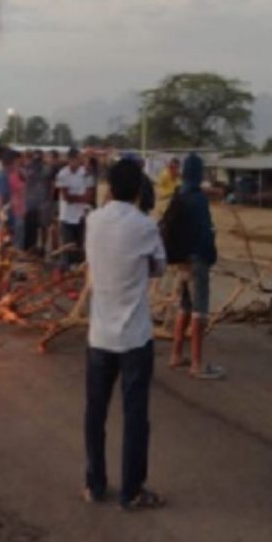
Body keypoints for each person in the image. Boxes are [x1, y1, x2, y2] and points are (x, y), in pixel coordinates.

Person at [82, 157, 166, 512]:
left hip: (100, 334)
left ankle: (95, 483)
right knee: (134, 416)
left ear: (109, 187)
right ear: (137, 190)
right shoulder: (145, 226)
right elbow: (159, 267)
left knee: (95, 413)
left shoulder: (92, 221)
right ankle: (132, 489)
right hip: (133, 335)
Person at [169, 153, 225, 380]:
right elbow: (205, 233)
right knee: (199, 310)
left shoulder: (178, 194)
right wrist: (210, 256)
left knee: (184, 306)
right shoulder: (199, 200)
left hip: (181, 260)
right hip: (197, 261)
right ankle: (197, 363)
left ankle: (176, 354)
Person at [56, 149, 89, 263]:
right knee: (67, 248)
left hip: (80, 215)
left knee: (79, 248)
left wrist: (81, 200)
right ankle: (65, 272)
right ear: (70, 159)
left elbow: (87, 194)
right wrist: (81, 198)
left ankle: (76, 275)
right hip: (67, 216)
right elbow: (66, 197)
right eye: (77, 158)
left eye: (80, 159)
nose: (79, 161)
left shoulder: (83, 172)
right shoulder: (63, 174)